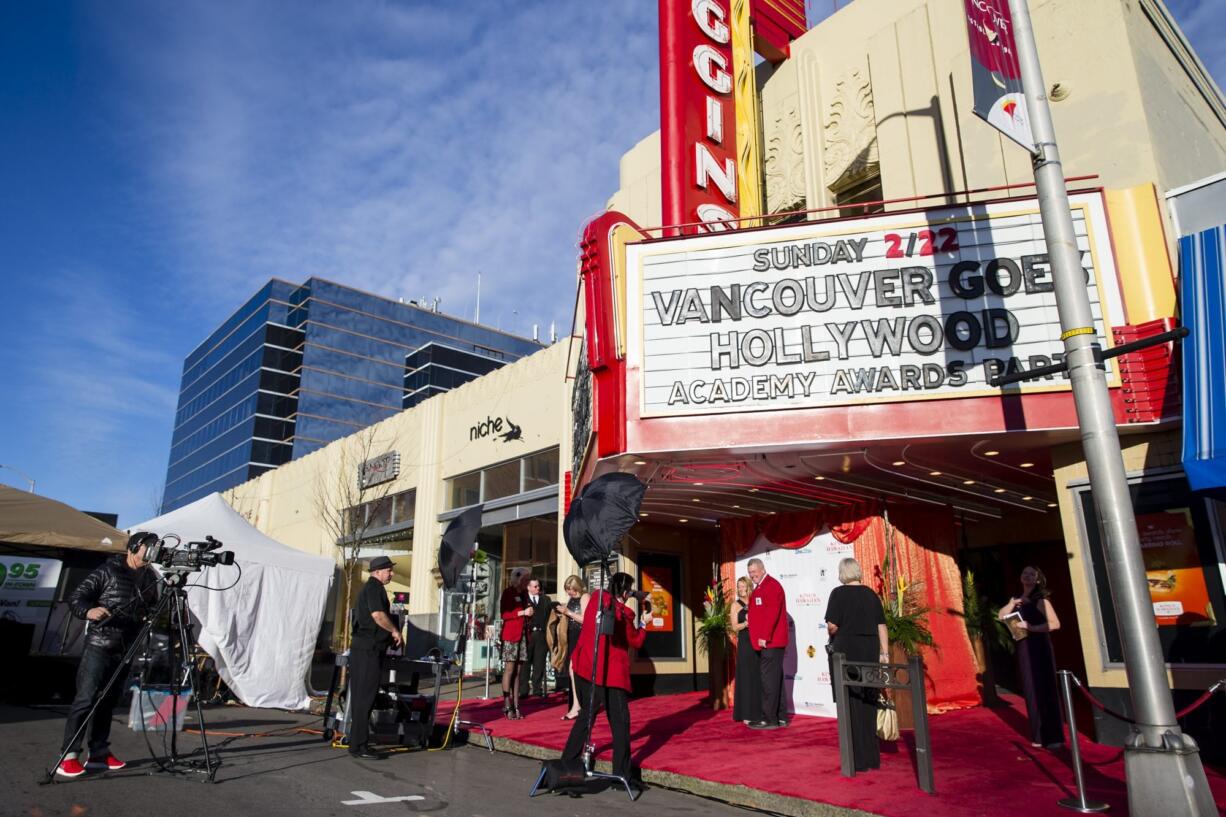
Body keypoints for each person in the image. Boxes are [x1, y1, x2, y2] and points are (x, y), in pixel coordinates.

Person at [56, 531, 160, 778]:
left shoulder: (150, 577)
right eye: (149, 547)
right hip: (100, 645)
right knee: (86, 698)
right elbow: (76, 598)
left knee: (107, 702)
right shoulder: (108, 570)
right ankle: (68, 756)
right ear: (135, 547)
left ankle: (99, 753)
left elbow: (153, 607)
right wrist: (89, 611)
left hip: (126, 648)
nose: (153, 551)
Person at [562, 572, 652, 791]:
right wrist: (644, 622)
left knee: (586, 717)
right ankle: (621, 775)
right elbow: (635, 641)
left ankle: (565, 766)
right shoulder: (623, 613)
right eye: (629, 590)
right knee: (620, 722)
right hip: (610, 673)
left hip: (586, 666)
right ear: (624, 591)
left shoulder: (596, 598)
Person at [824, 557, 889, 772]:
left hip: (847, 652)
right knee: (869, 700)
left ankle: (855, 760)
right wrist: (885, 653)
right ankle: (871, 758)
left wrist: (835, 629)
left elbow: (832, 626)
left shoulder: (838, 593)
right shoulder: (871, 594)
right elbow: (882, 626)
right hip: (869, 650)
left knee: (850, 702)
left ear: (842, 573)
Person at [999, 566, 1064, 748]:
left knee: (1045, 689)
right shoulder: (1018, 599)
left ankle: (1053, 737)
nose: (1027, 576)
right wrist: (1013, 603)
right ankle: (1038, 735)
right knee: (1030, 690)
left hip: (1039, 648)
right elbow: (1002, 616)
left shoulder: (1041, 600)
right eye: (1024, 573)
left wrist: (1031, 627)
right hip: (1024, 648)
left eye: (1031, 574)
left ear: (1037, 579)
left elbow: (1055, 624)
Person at [347, 555, 403, 760]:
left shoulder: (372, 588)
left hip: (367, 649)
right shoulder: (373, 588)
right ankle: (359, 745)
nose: (391, 573)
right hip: (367, 650)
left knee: (363, 697)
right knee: (365, 697)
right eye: (389, 570)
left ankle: (357, 743)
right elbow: (378, 615)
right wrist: (395, 632)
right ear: (378, 571)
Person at [746, 557, 789, 729]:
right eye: (750, 573)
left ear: (762, 570)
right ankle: (780, 716)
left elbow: (772, 614)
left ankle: (768, 719)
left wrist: (765, 636)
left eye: (754, 572)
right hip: (766, 643)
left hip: (770, 643)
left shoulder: (772, 586)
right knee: (774, 679)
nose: (752, 575)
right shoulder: (761, 587)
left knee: (768, 682)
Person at [498, 567, 532, 720]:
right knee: (509, 669)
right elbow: (505, 615)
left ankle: (517, 705)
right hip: (511, 636)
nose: (527, 582)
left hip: (523, 636)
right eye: (525, 579)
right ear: (518, 579)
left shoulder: (524, 594)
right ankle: (507, 704)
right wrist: (521, 613)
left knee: (518, 672)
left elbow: (526, 615)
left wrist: (529, 614)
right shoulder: (508, 593)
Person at [731, 576, 763, 724]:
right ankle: (745, 713)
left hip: (757, 642)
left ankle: (759, 711)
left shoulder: (756, 600)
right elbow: (734, 627)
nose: (741, 589)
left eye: (743, 586)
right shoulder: (735, 605)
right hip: (744, 642)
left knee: (757, 676)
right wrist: (745, 623)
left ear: (749, 586)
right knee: (745, 676)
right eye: (739, 586)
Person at [557, 575, 589, 720]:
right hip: (571, 636)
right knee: (572, 671)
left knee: (573, 669)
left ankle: (577, 706)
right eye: (568, 589)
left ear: (578, 587)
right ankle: (576, 705)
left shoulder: (585, 597)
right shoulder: (571, 599)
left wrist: (568, 612)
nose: (570, 592)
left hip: (581, 637)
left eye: (572, 589)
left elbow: (586, 619)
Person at [520, 578, 552, 700]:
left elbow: (550, 614)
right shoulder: (523, 599)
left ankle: (537, 689)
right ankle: (524, 690)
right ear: (528, 587)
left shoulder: (546, 599)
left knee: (539, 663)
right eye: (535, 586)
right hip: (528, 634)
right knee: (525, 663)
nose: (537, 588)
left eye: (538, 586)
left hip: (541, 634)